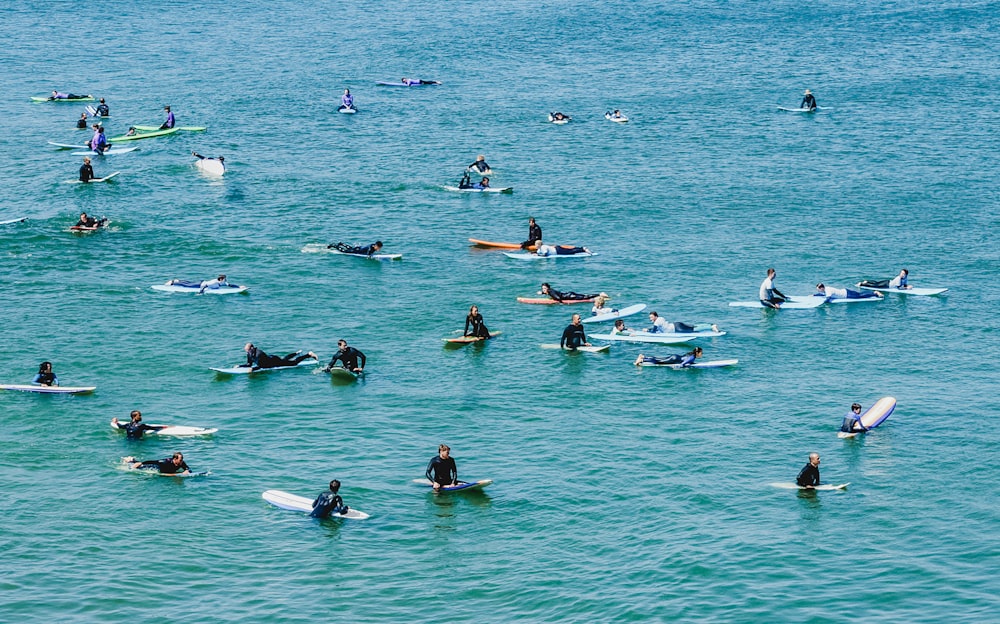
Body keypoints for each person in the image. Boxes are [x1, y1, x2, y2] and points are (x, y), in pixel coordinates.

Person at [242, 343, 317, 370]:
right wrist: (239, 366)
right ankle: (296, 353)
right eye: (246, 351)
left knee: (294, 363)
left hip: (275, 361)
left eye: (248, 350)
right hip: (272, 360)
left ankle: (309, 354)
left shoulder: (259, 354)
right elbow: (249, 364)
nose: (247, 352)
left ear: (252, 348)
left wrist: (253, 369)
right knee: (284, 359)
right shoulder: (249, 353)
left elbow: (261, 366)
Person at [644, 311, 719, 334]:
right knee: (693, 326)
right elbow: (659, 329)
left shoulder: (657, 322)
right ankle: (711, 325)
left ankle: (711, 327)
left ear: (655, 316)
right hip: (677, 325)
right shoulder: (660, 318)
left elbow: (654, 331)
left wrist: (647, 330)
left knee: (693, 330)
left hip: (677, 328)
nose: (650, 318)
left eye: (651, 317)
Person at [634, 347, 703, 367]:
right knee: (659, 362)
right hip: (674, 359)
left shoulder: (691, 355)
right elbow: (683, 363)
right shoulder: (692, 357)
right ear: (697, 353)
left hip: (675, 357)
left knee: (659, 359)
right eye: (701, 353)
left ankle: (643, 357)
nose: (701, 354)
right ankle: (642, 360)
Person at [167, 274, 231, 293]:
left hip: (202, 282)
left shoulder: (223, 282)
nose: (226, 280)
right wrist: (201, 292)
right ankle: (173, 282)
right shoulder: (214, 282)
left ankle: (178, 280)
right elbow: (205, 285)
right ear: (221, 279)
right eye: (225, 279)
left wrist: (239, 287)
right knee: (188, 285)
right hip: (200, 284)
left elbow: (230, 285)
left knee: (189, 283)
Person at [814, 283, 882, 300]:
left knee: (860, 296)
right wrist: (814, 295)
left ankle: (875, 293)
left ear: (822, 288)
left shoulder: (828, 290)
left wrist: (823, 302)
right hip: (846, 292)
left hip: (847, 294)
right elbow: (822, 294)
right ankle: (873, 292)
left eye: (818, 289)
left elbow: (827, 298)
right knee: (860, 294)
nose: (818, 290)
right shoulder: (825, 289)